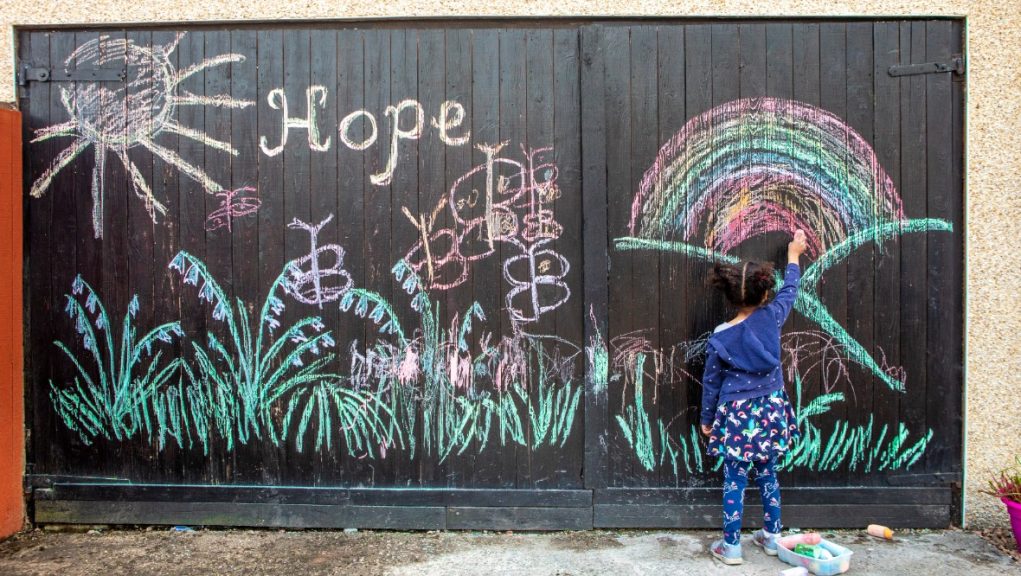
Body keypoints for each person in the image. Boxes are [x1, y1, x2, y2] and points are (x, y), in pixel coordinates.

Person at [700, 229, 808, 565]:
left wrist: (707, 420)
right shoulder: (772, 318)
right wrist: (793, 257)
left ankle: (731, 547)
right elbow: (790, 290)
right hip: (771, 408)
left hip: (737, 415)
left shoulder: (720, 338)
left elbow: (711, 384)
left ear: (731, 297)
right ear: (765, 295)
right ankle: (773, 537)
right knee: (768, 473)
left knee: (734, 479)